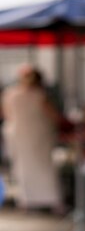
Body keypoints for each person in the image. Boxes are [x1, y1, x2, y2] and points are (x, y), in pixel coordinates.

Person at [2, 65, 63, 212]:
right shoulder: (38, 95)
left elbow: (6, 114)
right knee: (43, 167)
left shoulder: (10, 93)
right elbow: (54, 116)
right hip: (37, 135)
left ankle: (27, 200)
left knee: (24, 167)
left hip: (20, 134)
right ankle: (50, 200)